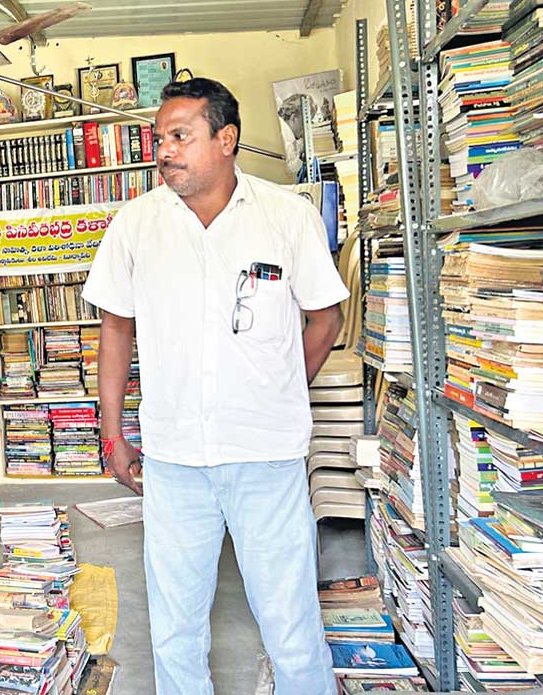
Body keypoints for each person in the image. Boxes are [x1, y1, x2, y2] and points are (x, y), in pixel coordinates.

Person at [82, 77, 348, 695]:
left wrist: (280, 387)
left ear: (226, 139)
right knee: (174, 626)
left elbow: (325, 317)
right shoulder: (136, 224)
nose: (164, 150)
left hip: (267, 457)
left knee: (290, 623)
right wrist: (111, 433)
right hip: (175, 462)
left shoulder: (286, 216)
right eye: (158, 138)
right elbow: (115, 330)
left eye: (180, 136)